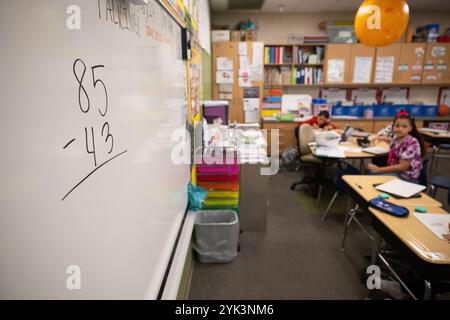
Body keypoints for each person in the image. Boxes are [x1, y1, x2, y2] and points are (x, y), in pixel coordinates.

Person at [367, 110, 425, 183]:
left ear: (410, 128)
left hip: (407, 178)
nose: (400, 128)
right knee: (371, 173)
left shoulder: (412, 142)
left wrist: (378, 169)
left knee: (372, 175)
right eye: (397, 126)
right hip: (398, 173)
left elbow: (402, 167)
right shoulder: (397, 138)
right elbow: (395, 143)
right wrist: (384, 138)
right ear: (393, 127)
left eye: (404, 126)